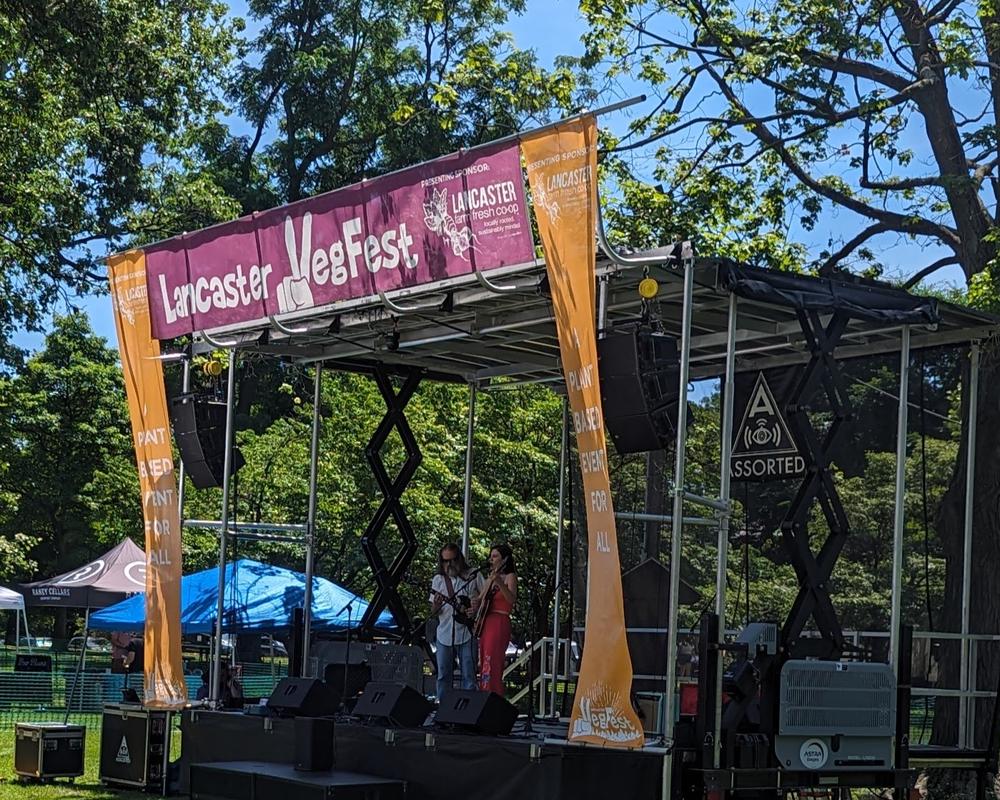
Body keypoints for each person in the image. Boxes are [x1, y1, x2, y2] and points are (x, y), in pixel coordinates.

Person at [430, 543, 484, 702]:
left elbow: (488, 596)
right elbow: (434, 612)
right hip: (444, 633)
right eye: (445, 561)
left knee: (469, 674)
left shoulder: (473, 575)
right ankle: (443, 709)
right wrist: (437, 605)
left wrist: (477, 607)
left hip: (468, 631)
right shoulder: (438, 580)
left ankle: (469, 710)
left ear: (459, 558)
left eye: (452, 560)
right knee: (443, 675)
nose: (449, 565)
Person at [477, 543, 517, 696]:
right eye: (491, 556)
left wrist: (500, 583)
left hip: (500, 620)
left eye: (495, 556)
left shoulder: (510, 576)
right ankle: (485, 690)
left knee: (493, 659)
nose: (491, 559)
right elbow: (481, 599)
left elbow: (511, 599)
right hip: (487, 621)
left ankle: (494, 693)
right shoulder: (490, 577)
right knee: (484, 658)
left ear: (504, 559)